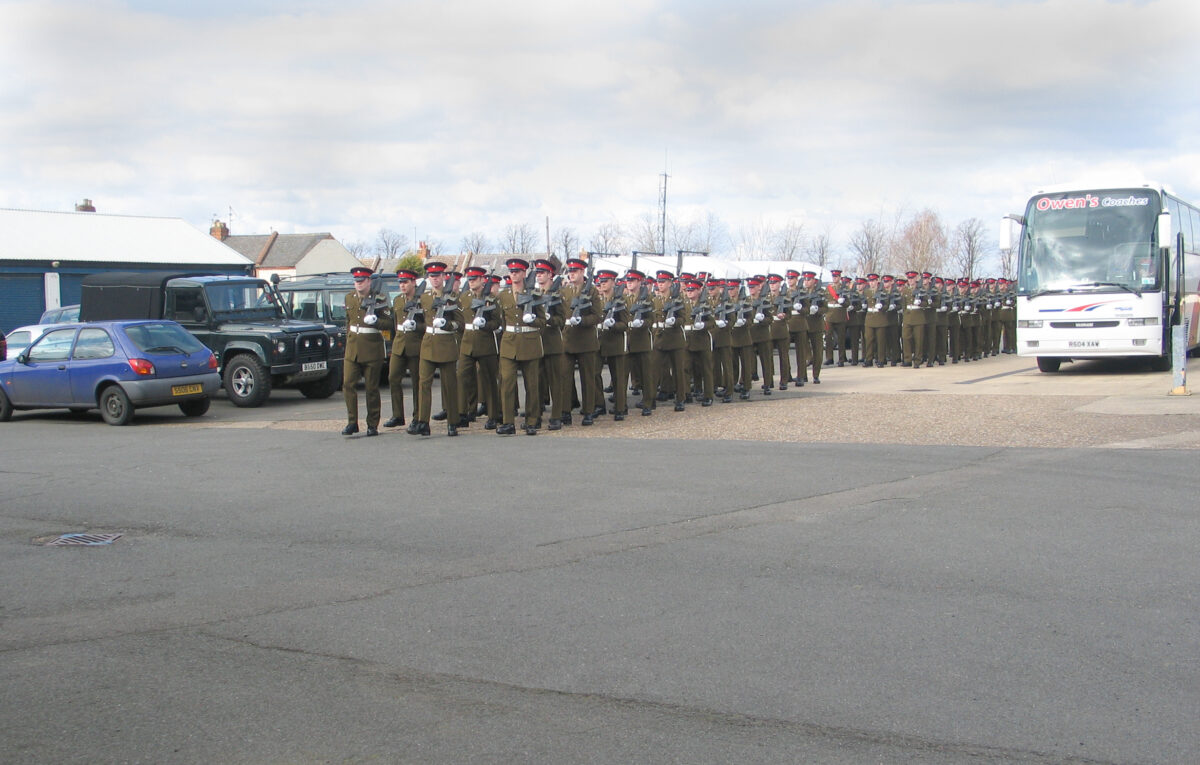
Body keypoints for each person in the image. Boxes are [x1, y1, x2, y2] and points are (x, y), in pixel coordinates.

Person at [412, 261, 463, 436]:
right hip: (428, 344)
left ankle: (452, 422)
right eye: (432, 276)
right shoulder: (425, 298)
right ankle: (423, 422)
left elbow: (460, 324)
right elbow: (420, 319)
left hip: (446, 345)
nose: (435, 280)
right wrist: (413, 324)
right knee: (423, 384)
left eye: (438, 276)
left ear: (443, 277)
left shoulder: (452, 297)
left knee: (449, 386)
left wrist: (447, 324)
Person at [342, 266, 394, 436]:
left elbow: (390, 323)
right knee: (348, 384)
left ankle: (372, 424)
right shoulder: (349, 298)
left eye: (362, 281)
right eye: (356, 281)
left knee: (371, 388)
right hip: (353, 348)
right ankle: (352, 422)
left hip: (372, 348)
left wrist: (376, 321)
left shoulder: (379, 299)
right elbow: (348, 321)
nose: (358, 284)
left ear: (369, 281)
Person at [497, 258, 546, 435]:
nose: (514, 274)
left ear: (525, 273)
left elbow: (543, 320)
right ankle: (508, 421)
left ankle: (532, 420)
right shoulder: (503, 296)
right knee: (507, 383)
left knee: (532, 384)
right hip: (509, 343)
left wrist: (533, 320)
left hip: (529, 342)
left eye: (517, 271)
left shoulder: (534, 295)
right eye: (512, 271)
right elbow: (501, 320)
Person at [457, 265, 501, 429]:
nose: (471, 282)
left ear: (483, 280)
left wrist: (485, 324)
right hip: (467, 342)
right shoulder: (465, 297)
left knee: (489, 380)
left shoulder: (491, 298)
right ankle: (465, 412)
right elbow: (461, 319)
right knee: (462, 376)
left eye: (474, 279)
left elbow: (497, 322)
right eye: (469, 279)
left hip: (485, 342)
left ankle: (493, 415)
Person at [561, 257, 603, 424]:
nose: (572, 274)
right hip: (568, 339)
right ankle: (565, 411)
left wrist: (583, 321)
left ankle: (588, 411)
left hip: (585, 340)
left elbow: (598, 315)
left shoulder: (591, 291)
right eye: (570, 271)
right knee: (565, 377)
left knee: (588, 378)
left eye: (575, 271)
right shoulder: (564, 291)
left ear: (582, 272)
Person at [386, 269, 422, 429]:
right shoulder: (398, 301)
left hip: (416, 344)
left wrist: (416, 326)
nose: (402, 285)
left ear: (414, 282)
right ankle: (398, 415)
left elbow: (428, 324)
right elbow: (395, 324)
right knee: (393, 378)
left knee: (417, 383)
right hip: (399, 344)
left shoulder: (421, 300)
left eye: (406, 282)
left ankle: (418, 416)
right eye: (400, 282)